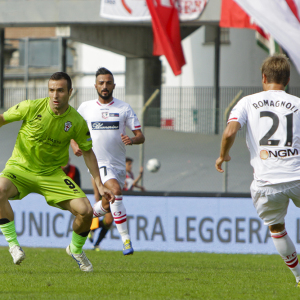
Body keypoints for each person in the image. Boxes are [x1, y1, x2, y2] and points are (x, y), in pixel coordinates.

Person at [0, 72, 114, 272]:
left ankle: (75, 249)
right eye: (51, 90)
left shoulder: (76, 122)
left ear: (70, 92)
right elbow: (2, 119)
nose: (55, 95)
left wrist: (100, 184)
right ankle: (13, 245)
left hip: (52, 174)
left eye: (60, 90)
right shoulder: (31, 107)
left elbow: (88, 153)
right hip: (20, 169)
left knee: (86, 211)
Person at [215, 54, 300, 287]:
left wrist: (223, 156)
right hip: (298, 175)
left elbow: (230, 132)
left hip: (266, 181)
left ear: (263, 77)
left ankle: (299, 277)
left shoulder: (247, 102)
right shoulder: (298, 103)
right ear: (288, 79)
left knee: (276, 227)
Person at [71, 67, 145, 255]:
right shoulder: (86, 108)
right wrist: (74, 144)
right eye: (101, 83)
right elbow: (71, 130)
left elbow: (140, 136)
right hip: (98, 162)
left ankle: (86, 216)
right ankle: (126, 240)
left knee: (107, 203)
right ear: (95, 85)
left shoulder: (123, 108)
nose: (104, 86)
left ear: (114, 85)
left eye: (108, 82)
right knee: (116, 191)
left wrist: (133, 140)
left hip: (118, 164)